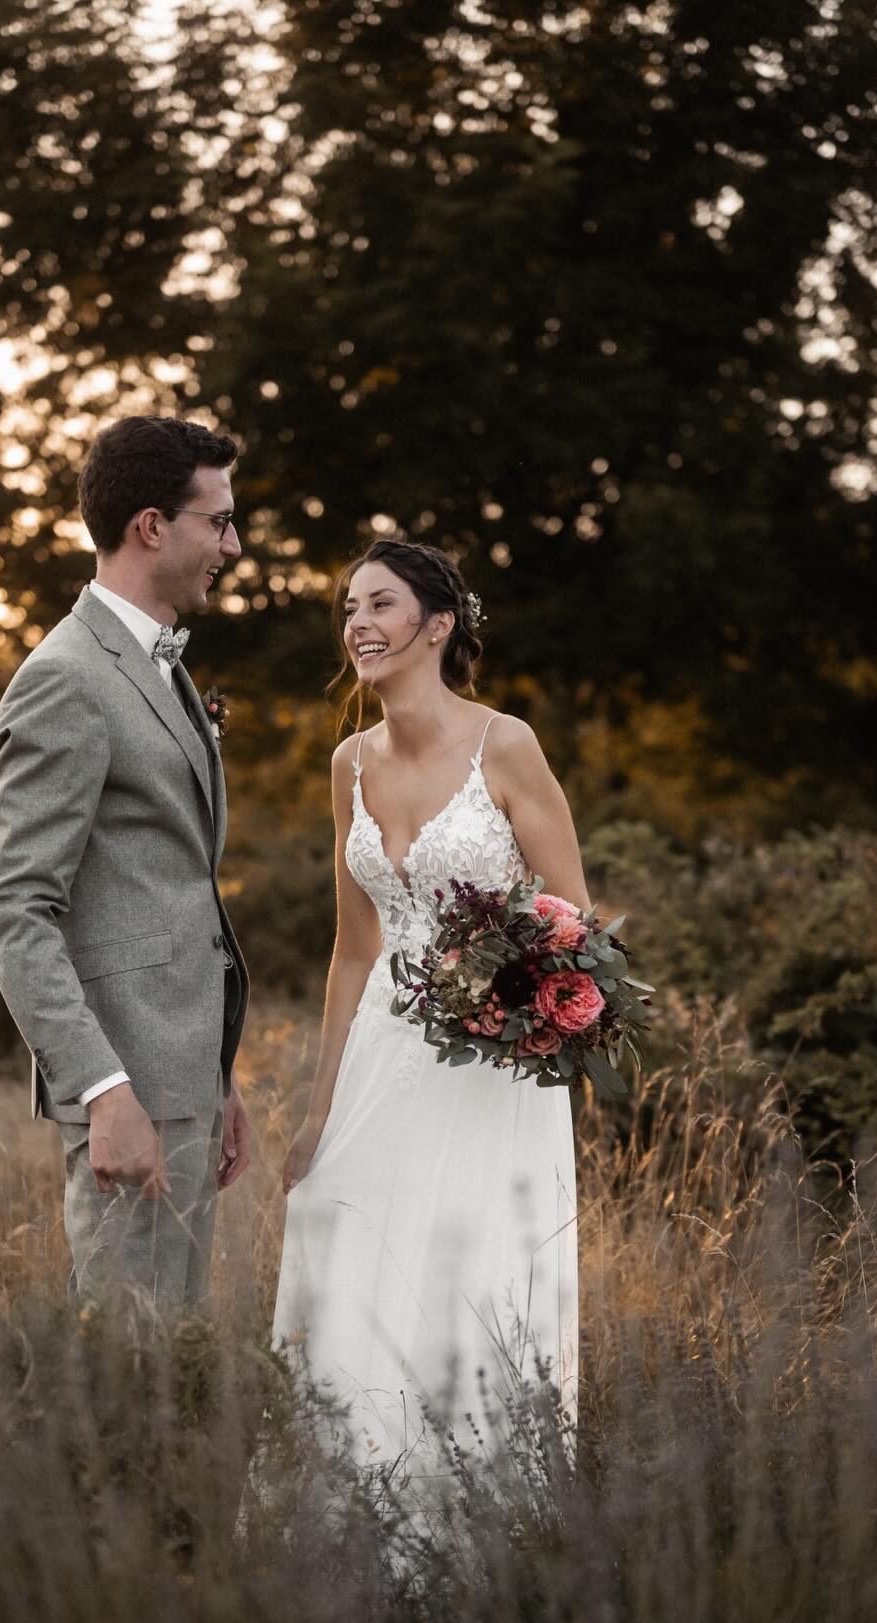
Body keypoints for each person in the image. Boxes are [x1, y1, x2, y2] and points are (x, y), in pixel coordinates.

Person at [272, 538, 585, 1501]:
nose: (359, 624)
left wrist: (504, 995)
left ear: (437, 626)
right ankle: (354, 1512)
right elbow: (354, 950)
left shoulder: (508, 744)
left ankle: (480, 1529)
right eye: (349, 608)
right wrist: (317, 1112)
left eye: (380, 605)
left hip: (490, 1072)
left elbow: (574, 917)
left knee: (468, 1285)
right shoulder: (347, 764)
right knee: (344, 1250)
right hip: (377, 1060)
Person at [0, 415, 251, 1319]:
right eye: (217, 521)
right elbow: (17, 908)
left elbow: (169, 889)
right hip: (127, 1093)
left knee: (175, 1368)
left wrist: (218, 1076)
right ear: (151, 527)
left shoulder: (157, 663)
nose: (232, 543)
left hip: (182, 1078)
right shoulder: (67, 677)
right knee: (125, 1374)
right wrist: (104, 1090)